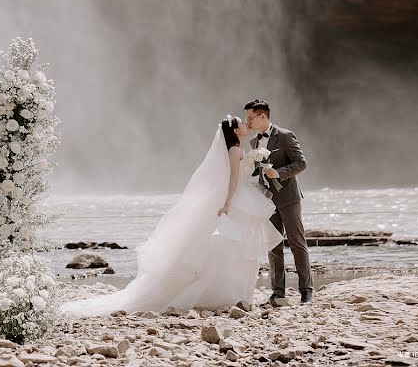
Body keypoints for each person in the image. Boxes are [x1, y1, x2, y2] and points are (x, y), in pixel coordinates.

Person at [60, 116, 284, 317]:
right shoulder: (235, 149)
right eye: (242, 123)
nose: (247, 124)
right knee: (234, 247)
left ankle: (228, 293)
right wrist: (227, 204)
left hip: (236, 198)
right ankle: (228, 293)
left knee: (229, 247)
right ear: (235, 131)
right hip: (234, 200)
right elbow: (233, 180)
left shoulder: (234, 147)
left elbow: (235, 176)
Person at [244, 99, 313, 305]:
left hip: (289, 198)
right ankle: (278, 292)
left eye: (250, 118)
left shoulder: (285, 136)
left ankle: (306, 291)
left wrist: (278, 173)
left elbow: (301, 163)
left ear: (262, 116)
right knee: (273, 246)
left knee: (297, 244)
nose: (247, 123)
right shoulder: (254, 142)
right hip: (267, 200)